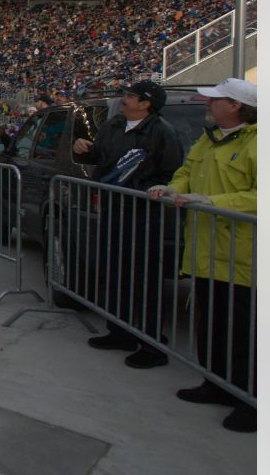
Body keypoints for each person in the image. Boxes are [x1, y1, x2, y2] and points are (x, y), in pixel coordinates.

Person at [150, 77, 257, 433]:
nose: (208, 105)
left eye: (216, 101)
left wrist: (214, 202)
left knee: (243, 330)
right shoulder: (208, 140)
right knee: (210, 321)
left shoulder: (260, 142)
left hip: (243, 254)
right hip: (206, 250)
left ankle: (250, 400)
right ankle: (215, 383)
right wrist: (173, 188)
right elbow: (186, 172)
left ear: (237, 106)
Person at [72, 81, 183, 369]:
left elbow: (172, 171)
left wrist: (151, 190)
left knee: (143, 278)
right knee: (115, 272)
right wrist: (84, 148)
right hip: (114, 207)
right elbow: (101, 158)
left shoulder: (161, 131)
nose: (125, 99)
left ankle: (151, 343)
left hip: (143, 213)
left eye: (131, 96)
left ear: (147, 103)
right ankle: (119, 332)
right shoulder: (114, 125)